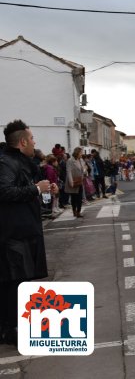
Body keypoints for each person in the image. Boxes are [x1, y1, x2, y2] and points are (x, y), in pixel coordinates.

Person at [0, 120, 55, 345]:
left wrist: (44, 189)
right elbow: (4, 191)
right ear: (23, 142)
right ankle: (11, 329)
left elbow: (22, 189)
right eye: (32, 139)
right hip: (12, 234)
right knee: (13, 282)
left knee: (22, 280)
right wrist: (35, 189)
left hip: (23, 230)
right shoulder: (6, 162)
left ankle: (16, 325)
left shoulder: (20, 161)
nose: (34, 143)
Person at [65, 147, 86, 218]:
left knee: (80, 197)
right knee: (74, 198)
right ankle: (74, 211)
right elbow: (69, 171)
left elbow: (83, 168)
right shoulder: (70, 160)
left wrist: (85, 171)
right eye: (81, 153)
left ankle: (78, 211)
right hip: (73, 181)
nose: (82, 154)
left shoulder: (81, 160)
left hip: (80, 181)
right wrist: (71, 182)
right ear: (77, 153)